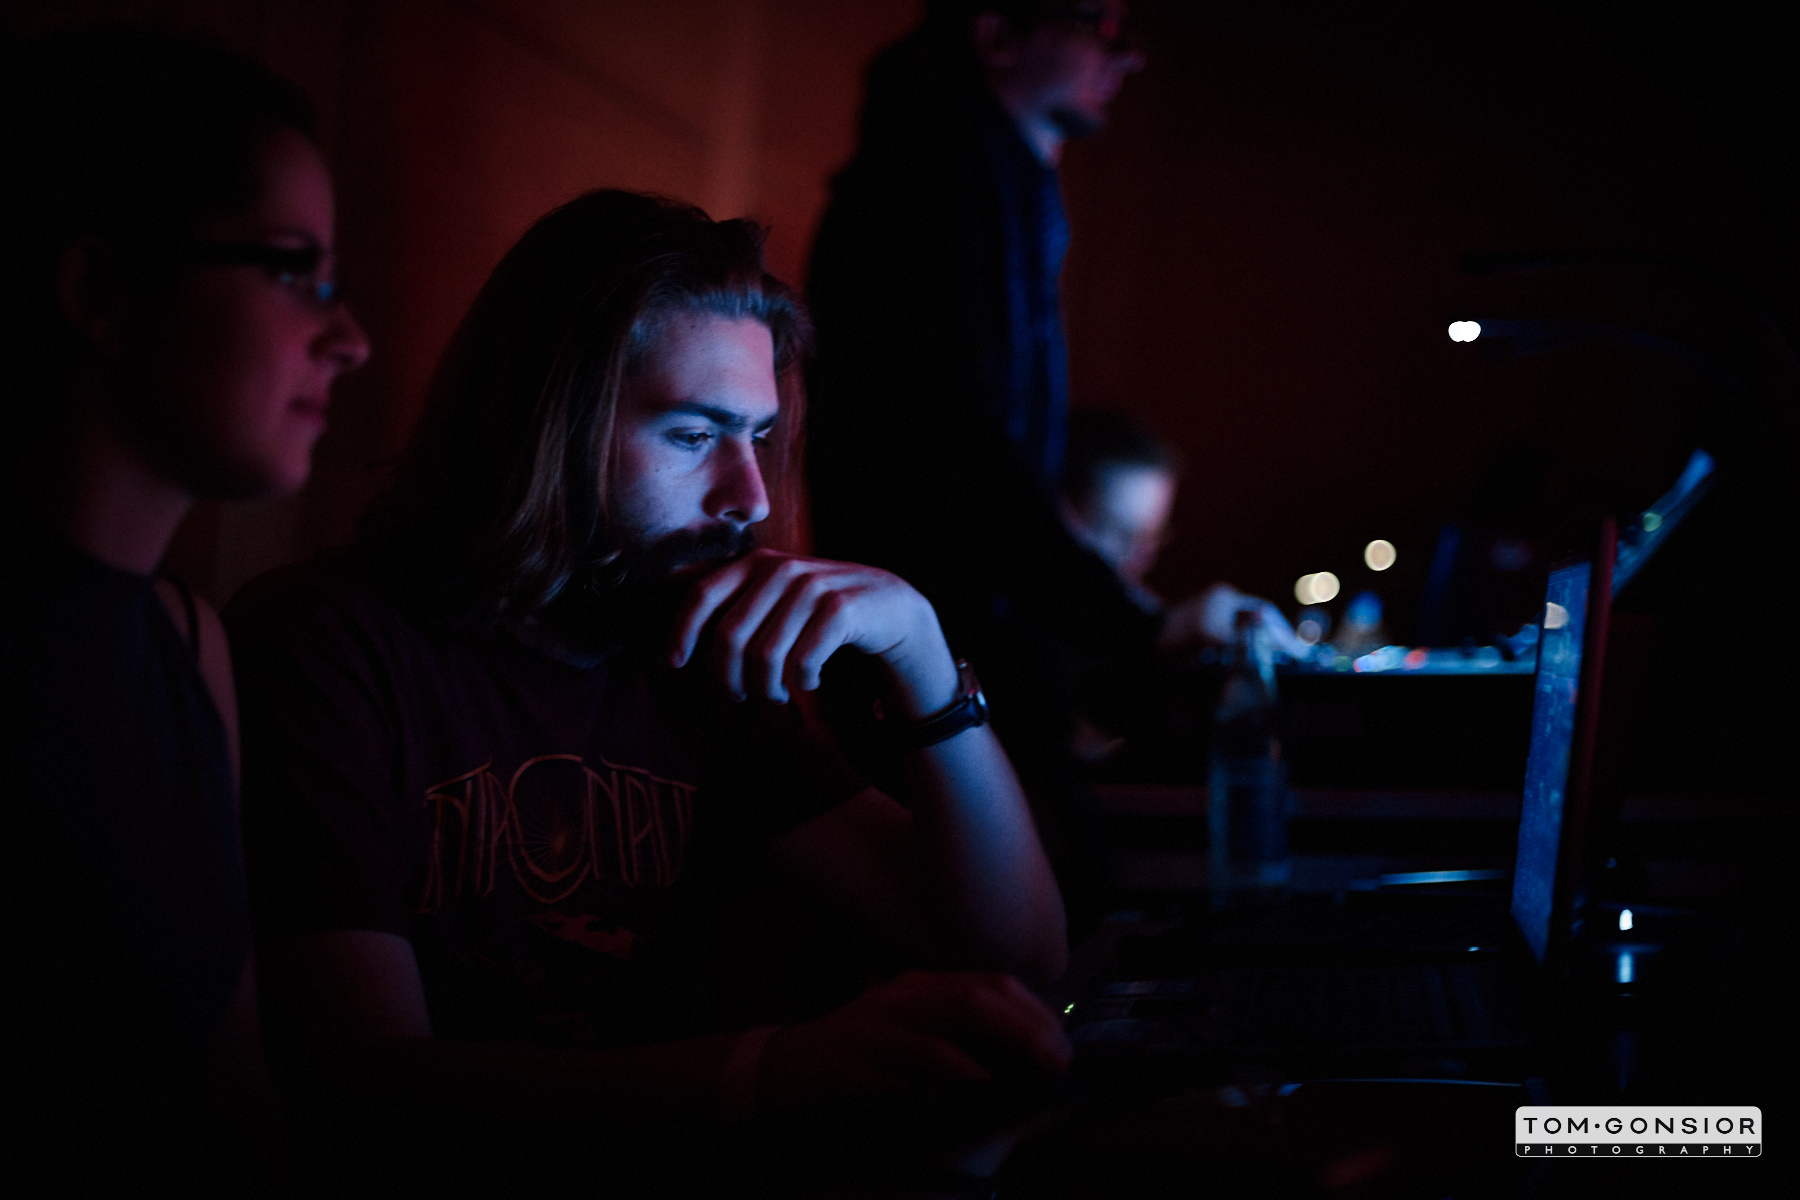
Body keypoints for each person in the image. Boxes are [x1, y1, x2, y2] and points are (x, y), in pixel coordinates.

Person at [224, 190, 1070, 1189]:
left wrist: (922, 653)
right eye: (694, 435)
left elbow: (1016, 953)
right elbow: (358, 1084)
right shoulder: (324, 645)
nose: (750, 496)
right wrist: (761, 1074)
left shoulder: (685, 651)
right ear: (549, 425)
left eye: (758, 437)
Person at [0, 28, 370, 1188]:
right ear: (106, 294)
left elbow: (234, 1094)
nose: (351, 339)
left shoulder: (192, 644)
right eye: (294, 272)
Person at [806, 5, 1293, 884]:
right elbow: (961, 457)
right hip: (928, 679)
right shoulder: (931, 189)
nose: (1130, 56)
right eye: (1099, 24)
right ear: (998, 34)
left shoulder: (991, 185)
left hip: (952, 667)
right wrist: (1141, 623)